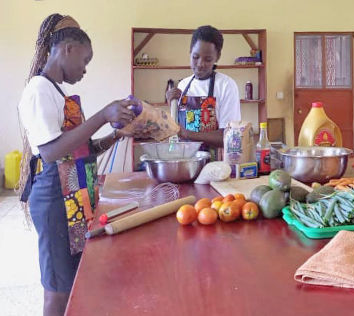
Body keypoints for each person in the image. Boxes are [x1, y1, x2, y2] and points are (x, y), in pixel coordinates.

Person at [16, 14, 137, 315]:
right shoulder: (38, 90)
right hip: (54, 198)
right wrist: (102, 115)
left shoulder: (59, 94)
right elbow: (51, 153)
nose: (85, 70)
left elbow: (79, 150)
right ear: (67, 49)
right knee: (57, 290)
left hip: (72, 194)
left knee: (71, 280)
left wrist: (115, 135)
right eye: (85, 61)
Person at [165, 25, 241, 159]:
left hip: (214, 164)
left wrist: (188, 134)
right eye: (195, 57)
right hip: (184, 162)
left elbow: (229, 136)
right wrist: (170, 105)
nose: (200, 64)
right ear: (190, 53)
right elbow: (175, 129)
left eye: (208, 59)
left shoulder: (226, 85)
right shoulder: (183, 85)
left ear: (217, 57)